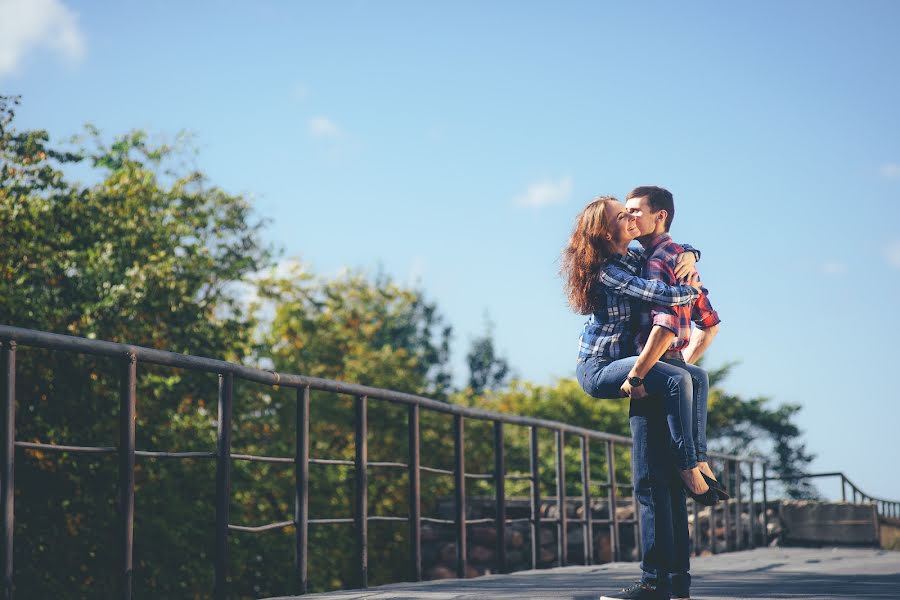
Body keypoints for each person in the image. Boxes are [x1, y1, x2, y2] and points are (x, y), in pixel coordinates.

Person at [562, 196, 719, 506]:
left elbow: (662, 253)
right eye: (622, 216)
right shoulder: (607, 272)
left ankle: (699, 458)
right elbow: (656, 291)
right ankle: (687, 467)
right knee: (678, 380)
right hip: (599, 366)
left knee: (697, 376)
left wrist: (689, 253)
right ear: (607, 233)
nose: (632, 217)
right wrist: (692, 291)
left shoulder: (633, 259)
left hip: (624, 359)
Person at [607, 185, 722, 600]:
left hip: (653, 373)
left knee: (650, 485)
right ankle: (677, 585)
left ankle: (653, 582)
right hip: (672, 369)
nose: (629, 217)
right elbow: (709, 322)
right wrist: (685, 363)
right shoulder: (676, 257)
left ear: (661, 217)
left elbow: (664, 324)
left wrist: (640, 373)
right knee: (668, 487)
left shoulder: (657, 260)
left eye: (636, 211)